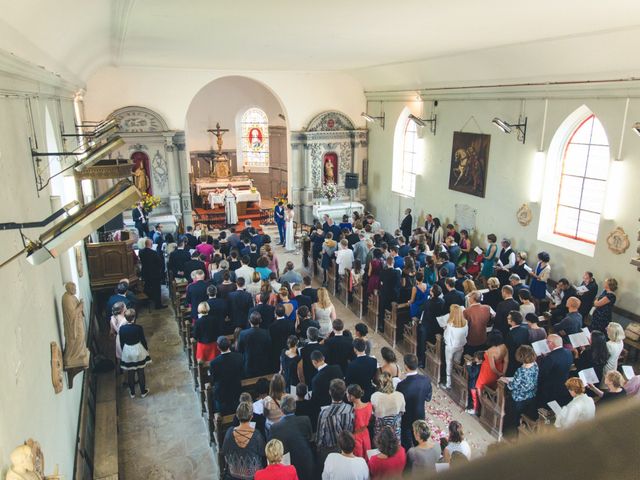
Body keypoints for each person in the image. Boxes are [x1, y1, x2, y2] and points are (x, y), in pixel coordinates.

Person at [269, 394, 314, 480]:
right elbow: (310, 438)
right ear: (295, 407)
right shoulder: (305, 420)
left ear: (281, 409)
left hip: (287, 468)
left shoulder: (274, 427)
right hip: (306, 463)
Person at [221, 402, 266, 480]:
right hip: (253, 475)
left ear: (237, 415)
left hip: (233, 473)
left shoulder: (229, 432)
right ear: (251, 417)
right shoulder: (256, 434)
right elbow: (263, 453)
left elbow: (224, 451)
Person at [396, 354, 432, 451]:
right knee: (419, 441)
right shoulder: (426, 380)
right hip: (420, 414)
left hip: (406, 417)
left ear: (406, 366)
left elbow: (399, 404)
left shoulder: (401, 385)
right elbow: (428, 398)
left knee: (406, 442)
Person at [316, 379, 354, 467]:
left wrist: (318, 448)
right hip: (347, 448)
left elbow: (320, 436)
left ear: (330, 392)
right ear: (345, 392)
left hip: (330, 450)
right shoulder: (350, 409)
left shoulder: (324, 413)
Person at [469, 331, 508, 415]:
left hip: (487, 372)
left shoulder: (490, 351)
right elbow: (506, 361)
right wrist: (502, 373)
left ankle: (482, 407)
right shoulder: (504, 347)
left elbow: (492, 367)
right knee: (493, 388)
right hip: (500, 369)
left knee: (480, 388)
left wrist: (497, 373)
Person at [119, 308, 151, 398]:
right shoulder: (138, 328)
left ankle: (132, 393)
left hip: (128, 350)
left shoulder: (122, 329)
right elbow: (143, 340)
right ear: (134, 317)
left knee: (130, 372)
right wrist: (146, 349)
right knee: (141, 372)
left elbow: (122, 342)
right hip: (137, 349)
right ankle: (143, 392)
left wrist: (124, 351)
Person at [506, 345, 538, 431]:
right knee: (525, 415)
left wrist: (507, 382)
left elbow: (513, 386)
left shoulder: (521, 371)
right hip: (531, 395)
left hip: (519, 397)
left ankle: (514, 433)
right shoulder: (535, 364)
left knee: (515, 417)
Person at [209, 336, 244, 415]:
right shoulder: (239, 357)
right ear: (229, 345)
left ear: (218, 347)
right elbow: (241, 372)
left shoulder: (214, 363)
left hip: (222, 393)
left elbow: (214, 379)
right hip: (236, 389)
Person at [537, 334, 574, 408]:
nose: (546, 344)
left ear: (552, 343)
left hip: (550, 389)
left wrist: (544, 360)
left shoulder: (550, 358)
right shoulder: (568, 352)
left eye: (547, 342)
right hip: (563, 385)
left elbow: (541, 374)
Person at [310, 351, 344, 426]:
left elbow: (316, 400)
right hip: (341, 404)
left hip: (326, 409)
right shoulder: (337, 368)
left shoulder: (316, 380)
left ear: (314, 362)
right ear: (323, 358)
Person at [370, 372, 405, 441]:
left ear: (380, 384)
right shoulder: (400, 395)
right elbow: (402, 412)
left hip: (380, 431)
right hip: (395, 430)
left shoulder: (375, 396)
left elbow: (372, 414)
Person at [238, 312, 272, 377]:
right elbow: (269, 347)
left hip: (248, 364)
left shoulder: (243, 334)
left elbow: (240, 349)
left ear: (249, 321)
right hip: (263, 364)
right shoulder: (266, 333)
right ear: (260, 321)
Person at [443, 305, 468, 389]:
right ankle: (456, 382)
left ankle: (448, 383)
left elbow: (446, 337)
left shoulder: (450, 325)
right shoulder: (465, 322)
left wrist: (444, 330)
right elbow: (466, 334)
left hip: (450, 347)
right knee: (457, 362)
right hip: (460, 346)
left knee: (449, 363)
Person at [346, 384, 372, 460]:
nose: (346, 395)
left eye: (347, 393)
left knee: (358, 458)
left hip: (356, 436)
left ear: (352, 396)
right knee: (367, 456)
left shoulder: (352, 411)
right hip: (366, 433)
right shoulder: (369, 405)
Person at [138, 238, 166, 309]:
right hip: (154, 274)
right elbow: (160, 263)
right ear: (151, 244)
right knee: (157, 289)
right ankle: (158, 305)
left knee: (147, 286)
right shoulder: (153, 253)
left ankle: (146, 302)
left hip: (145, 273)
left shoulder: (141, 252)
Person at [463, 290, 493, 356]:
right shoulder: (487, 307)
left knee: (470, 357)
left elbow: (464, 326)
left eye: (469, 297)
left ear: (472, 299)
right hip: (483, 337)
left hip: (471, 339)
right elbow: (494, 316)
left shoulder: (466, 311)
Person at [269, 305, 296, 372]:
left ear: (275, 313)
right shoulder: (290, 323)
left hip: (276, 350)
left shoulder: (272, 326)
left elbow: (271, 339)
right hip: (288, 349)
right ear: (284, 313)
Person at [505, 310, 530, 376]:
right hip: (524, 356)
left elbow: (508, 348)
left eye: (508, 318)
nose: (507, 318)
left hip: (514, 358)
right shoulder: (525, 329)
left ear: (513, 322)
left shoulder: (510, 334)